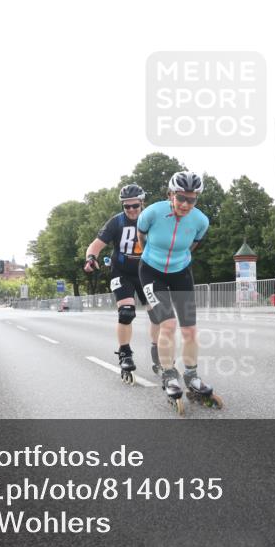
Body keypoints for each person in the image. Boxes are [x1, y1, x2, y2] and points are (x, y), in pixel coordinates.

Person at [137, 171, 221, 412]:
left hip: (181, 272)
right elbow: (142, 238)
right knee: (168, 325)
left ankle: (192, 376)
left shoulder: (201, 221)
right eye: (181, 198)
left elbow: (193, 245)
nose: (185, 204)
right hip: (151, 272)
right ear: (170, 195)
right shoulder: (151, 213)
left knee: (190, 329)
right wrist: (151, 258)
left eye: (191, 200)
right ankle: (169, 374)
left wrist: (175, 261)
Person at [84, 183, 159, 384]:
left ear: (142, 203)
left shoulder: (152, 220)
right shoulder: (116, 222)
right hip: (122, 272)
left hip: (146, 272)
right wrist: (91, 258)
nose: (131, 210)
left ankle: (157, 349)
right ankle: (125, 353)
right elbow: (96, 244)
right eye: (127, 207)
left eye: (135, 206)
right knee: (126, 311)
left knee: (158, 313)